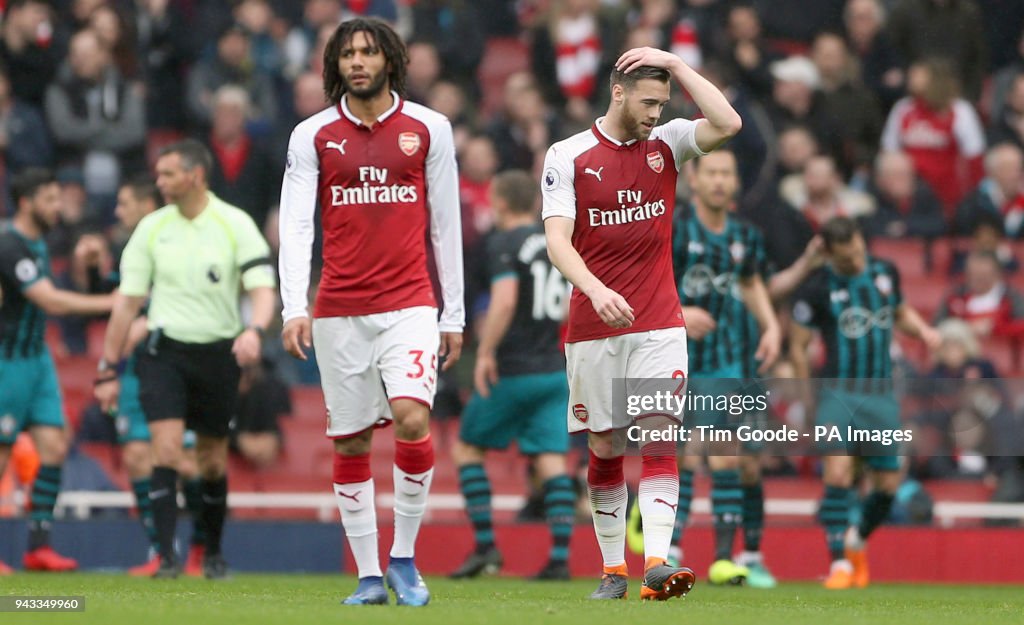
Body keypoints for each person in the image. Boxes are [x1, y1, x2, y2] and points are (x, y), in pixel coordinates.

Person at [542, 45, 741, 600]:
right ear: (618, 92)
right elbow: (557, 239)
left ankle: (656, 562)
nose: (656, 113)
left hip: (658, 322)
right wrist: (596, 289)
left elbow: (728, 122)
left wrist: (677, 66)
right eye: (648, 102)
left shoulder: (669, 144)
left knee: (659, 436)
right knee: (605, 448)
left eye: (664, 102)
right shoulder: (568, 155)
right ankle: (613, 571)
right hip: (594, 322)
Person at [277, 18, 463, 607]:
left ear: (390, 60)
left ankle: (404, 559)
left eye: (369, 52)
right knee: (352, 441)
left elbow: (446, 224)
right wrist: (292, 306)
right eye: (349, 54)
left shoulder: (430, 128)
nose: (358, 62)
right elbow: (298, 224)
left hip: (410, 303)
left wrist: (452, 313)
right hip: (338, 311)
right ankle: (368, 577)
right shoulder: (311, 135)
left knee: (412, 417)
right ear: (335, 64)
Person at [94, 139, 276, 579]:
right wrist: (107, 367)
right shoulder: (153, 228)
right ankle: (169, 560)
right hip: (165, 352)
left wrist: (254, 330)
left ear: (195, 175)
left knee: (212, 458)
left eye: (168, 174)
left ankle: (211, 554)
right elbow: (127, 303)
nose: (159, 182)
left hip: (218, 353)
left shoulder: (235, 224)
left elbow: (262, 288)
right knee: (167, 450)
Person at [788, 216, 941, 590]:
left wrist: (923, 331)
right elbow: (798, 346)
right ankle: (839, 563)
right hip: (837, 393)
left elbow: (899, 312)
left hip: (881, 394)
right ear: (828, 254)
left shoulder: (884, 271)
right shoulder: (817, 287)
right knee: (838, 474)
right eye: (845, 258)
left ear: (861, 240)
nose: (855, 260)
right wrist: (807, 402)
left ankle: (856, 542)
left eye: (857, 250)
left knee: (888, 484)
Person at [656, 149, 781, 588]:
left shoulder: (745, 235)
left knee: (724, 450)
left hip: (727, 360)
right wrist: (681, 312)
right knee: (685, 455)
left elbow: (749, 281)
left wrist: (770, 327)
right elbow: (647, 279)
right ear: (693, 178)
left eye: (727, 173)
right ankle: (667, 546)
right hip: (674, 358)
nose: (719, 181)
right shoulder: (674, 227)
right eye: (711, 172)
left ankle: (722, 559)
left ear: (736, 182)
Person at [75, 177, 207, 576]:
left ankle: (202, 549)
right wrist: (92, 268)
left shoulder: (185, 236)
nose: (117, 212)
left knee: (187, 462)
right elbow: (109, 302)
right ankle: (161, 552)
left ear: (147, 203)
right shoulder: (124, 246)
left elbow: (199, 294)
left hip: (177, 359)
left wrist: (150, 321)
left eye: (124, 202)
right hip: (134, 370)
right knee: (136, 456)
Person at [450, 170, 573, 581]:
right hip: (554, 369)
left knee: (467, 449)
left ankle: (485, 547)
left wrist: (485, 352)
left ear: (500, 202)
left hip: (514, 368)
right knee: (551, 459)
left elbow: (503, 301)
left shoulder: (503, 243)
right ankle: (559, 559)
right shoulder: (556, 243)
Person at [0, 168, 114, 572]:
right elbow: (50, 302)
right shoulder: (8, 243)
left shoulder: (38, 242)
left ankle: (37, 547)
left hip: (38, 362)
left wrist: (90, 272)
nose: (57, 206)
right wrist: (112, 304)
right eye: (50, 199)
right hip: (7, 362)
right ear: (28, 202)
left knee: (52, 448)